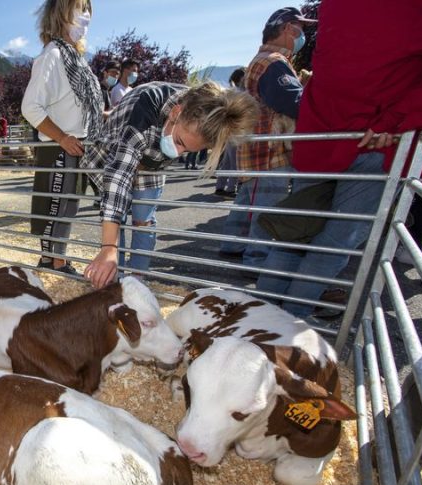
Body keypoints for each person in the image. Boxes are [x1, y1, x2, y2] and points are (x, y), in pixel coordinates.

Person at [256, 0, 422, 319]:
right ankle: (281, 324)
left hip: (340, 133)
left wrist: (395, 120)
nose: (302, 35)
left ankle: (266, 320)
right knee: (332, 239)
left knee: (302, 230)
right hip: (367, 138)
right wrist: (396, 120)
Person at [82, 82, 258, 287]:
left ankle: (135, 283)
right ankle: (112, 281)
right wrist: (108, 248)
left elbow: (176, 144)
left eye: (187, 151)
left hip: (152, 164)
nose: (177, 153)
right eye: (180, 143)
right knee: (114, 219)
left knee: (144, 220)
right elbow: (118, 177)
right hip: (117, 153)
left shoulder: (201, 112)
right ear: (175, 113)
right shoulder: (145, 108)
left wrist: (176, 145)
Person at [219, 7, 314, 268]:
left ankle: (234, 244)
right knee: (267, 204)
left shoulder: (262, 60)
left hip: (256, 147)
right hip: (271, 150)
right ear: (288, 28)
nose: (302, 35)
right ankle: (257, 260)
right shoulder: (274, 62)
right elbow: (291, 101)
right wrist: (312, 90)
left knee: (250, 198)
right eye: (300, 29)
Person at [21, 0, 103, 274]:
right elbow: (30, 107)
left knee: (67, 207)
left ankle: (52, 261)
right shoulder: (53, 55)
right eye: (80, 8)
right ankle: (55, 262)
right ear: (61, 14)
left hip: (74, 145)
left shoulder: (74, 58)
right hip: (60, 147)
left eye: (88, 9)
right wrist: (62, 137)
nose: (86, 15)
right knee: (57, 207)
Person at [215, 67, 247, 197]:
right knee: (235, 163)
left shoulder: (229, 92)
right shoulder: (241, 93)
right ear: (241, 78)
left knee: (227, 162)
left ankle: (220, 186)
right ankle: (230, 189)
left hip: (228, 131)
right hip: (236, 131)